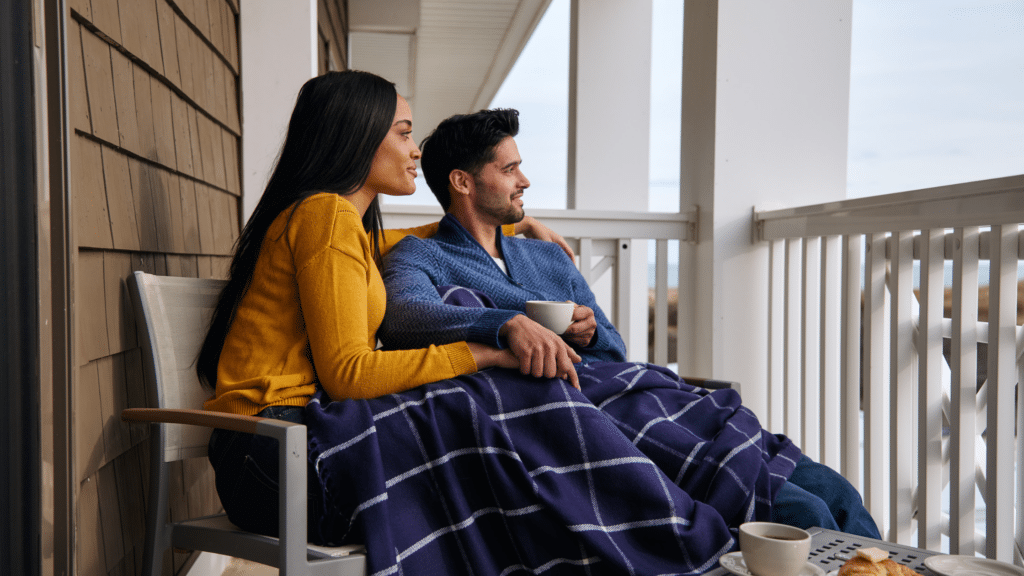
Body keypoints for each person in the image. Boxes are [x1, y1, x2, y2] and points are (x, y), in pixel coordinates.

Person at [377, 107, 881, 540]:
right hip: (582, 421)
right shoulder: (423, 256)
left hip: (642, 399)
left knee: (836, 492)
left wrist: (589, 333)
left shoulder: (546, 258)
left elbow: (614, 351)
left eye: (521, 168)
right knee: (801, 513)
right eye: (509, 170)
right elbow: (405, 316)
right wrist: (508, 324)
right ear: (463, 182)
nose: (524, 181)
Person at [197, 72, 570, 543]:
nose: (416, 150)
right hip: (273, 454)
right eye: (405, 132)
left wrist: (518, 224)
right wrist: (487, 351)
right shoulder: (325, 217)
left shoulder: (336, 224)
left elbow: (411, 239)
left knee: (483, 466)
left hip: (276, 446)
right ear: (358, 134)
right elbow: (350, 375)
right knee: (487, 477)